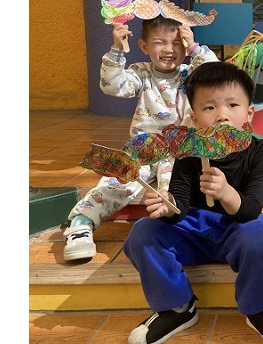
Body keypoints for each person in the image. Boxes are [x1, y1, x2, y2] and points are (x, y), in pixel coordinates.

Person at [123, 61, 263, 344]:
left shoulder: (261, 152)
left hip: (238, 231)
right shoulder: (189, 153)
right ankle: (177, 307)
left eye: (232, 105)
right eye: (209, 108)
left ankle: (259, 308)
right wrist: (168, 205)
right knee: (143, 232)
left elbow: (250, 210)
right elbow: (180, 203)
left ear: (249, 112)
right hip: (194, 233)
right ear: (194, 119)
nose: (222, 115)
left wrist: (226, 192)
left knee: (261, 235)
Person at [62, 15, 218, 261]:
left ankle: (170, 233)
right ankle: (81, 223)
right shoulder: (141, 73)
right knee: (117, 181)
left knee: (173, 190)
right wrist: (116, 49)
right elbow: (112, 85)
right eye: (160, 42)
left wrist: (196, 49)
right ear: (144, 46)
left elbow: (216, 74)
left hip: (179, 153)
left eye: (177, 43)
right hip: (143, 150)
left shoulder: (191, 74)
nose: (169, 49)